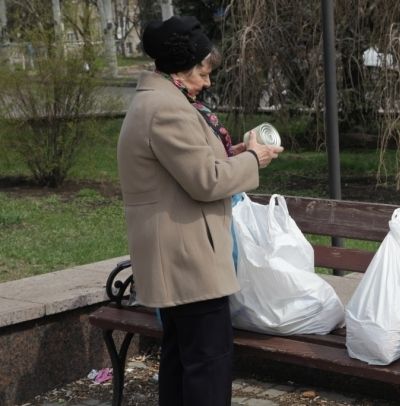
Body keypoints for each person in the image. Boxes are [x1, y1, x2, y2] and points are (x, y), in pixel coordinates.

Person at [116, 15, 283, 406]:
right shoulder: (167, 109)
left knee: (182, 360)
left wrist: (235, 155)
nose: (207, 82)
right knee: (208, 365)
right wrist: (254, 160)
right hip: (188, 259)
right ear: (181, 68)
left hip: (177, 257)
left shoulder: (159, 101)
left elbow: (189, 168)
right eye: (203, 73)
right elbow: (206, 181)